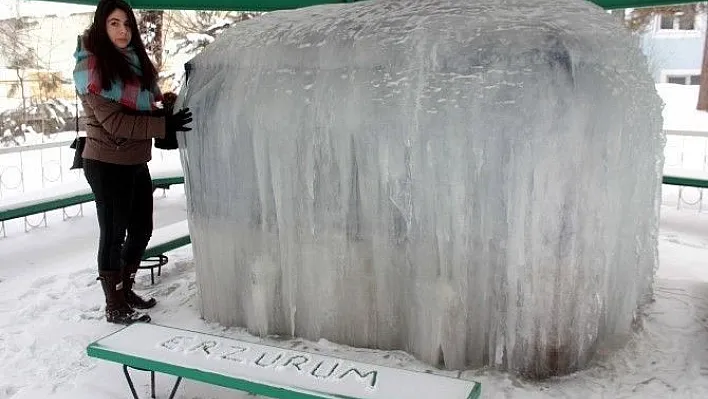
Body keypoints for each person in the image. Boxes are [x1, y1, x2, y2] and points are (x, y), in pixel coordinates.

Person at [73, 0, 192, 324]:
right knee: (113, 233)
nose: (122, 30)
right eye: (114, 23)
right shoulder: (92, 69)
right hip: (106, 162)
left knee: (141, 229)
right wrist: (163, 125)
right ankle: (114, 304)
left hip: (135, 159)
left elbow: (140, 110)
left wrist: (165, 108)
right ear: (101, 26)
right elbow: (116, 123)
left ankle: (125, 288)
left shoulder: (134, 63)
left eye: (127, 24)